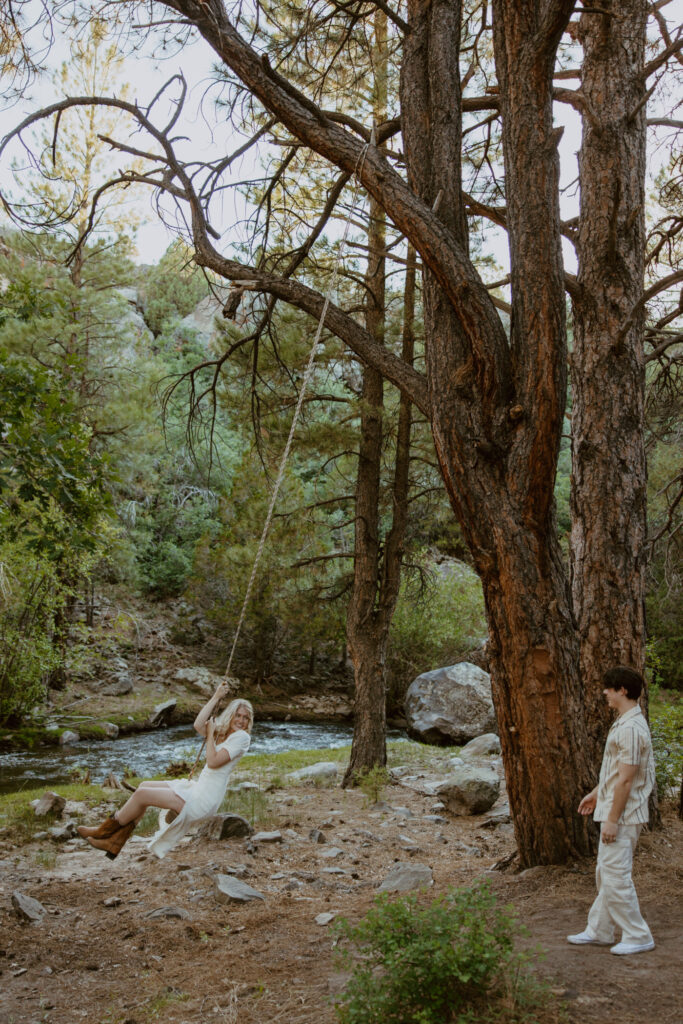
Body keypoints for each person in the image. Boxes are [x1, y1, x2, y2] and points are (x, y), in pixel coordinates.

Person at [77, 686, 253, 860]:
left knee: (142, 795)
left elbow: (213, 762)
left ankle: (104, 832)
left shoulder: (242, 738)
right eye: (238, 715)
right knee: (144, 786)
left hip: (203, 799)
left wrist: (210, 734)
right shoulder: (222, 733)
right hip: (197, 789)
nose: (241, 721)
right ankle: (114, 842)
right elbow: (198, 724)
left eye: (246, 718)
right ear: (231, 714)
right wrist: (216, 697)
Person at [567, 666, 655, 955]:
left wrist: (612, 819)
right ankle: (600, 930)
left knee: (616, 876)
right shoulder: (624, 722)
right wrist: (596, 794)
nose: (604, 692)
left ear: (623, 690)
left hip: (624, 815)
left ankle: (638, 934)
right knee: (606, 873)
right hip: (613, 809)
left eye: (609, 687)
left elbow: (628, 779)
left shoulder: (630, 728)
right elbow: (617, 773)